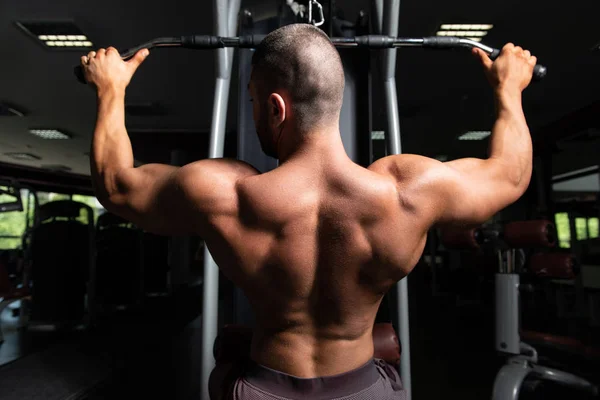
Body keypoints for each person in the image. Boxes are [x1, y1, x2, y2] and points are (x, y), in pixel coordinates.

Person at [80, 23, 536, 400]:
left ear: (277, 108)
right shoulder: (406, 191)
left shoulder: (226, 195)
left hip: (262, 391)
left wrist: (111, 90)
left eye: (255, 102)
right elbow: (510, 176)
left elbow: (117, 186)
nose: (256, 112)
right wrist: (509, 89)